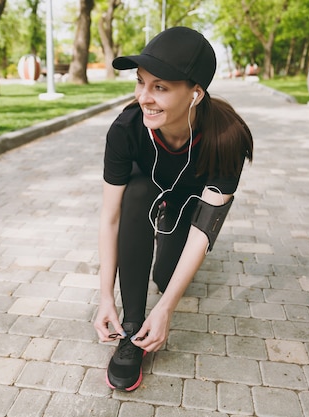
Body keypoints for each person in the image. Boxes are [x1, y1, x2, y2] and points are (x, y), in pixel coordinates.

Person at [93, 26, 254, 392]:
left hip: (192, 200)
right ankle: (131, 332)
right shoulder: (126, 129)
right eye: (140, 82)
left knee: (167, 280)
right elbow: (110, 217)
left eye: (160, 87)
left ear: (195, 93)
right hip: (145, 191)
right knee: (136, 194)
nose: (144, 97)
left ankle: (168, 225)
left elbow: (206, 229)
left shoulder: (227, 137)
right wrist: (105, 296)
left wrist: (166, 308)